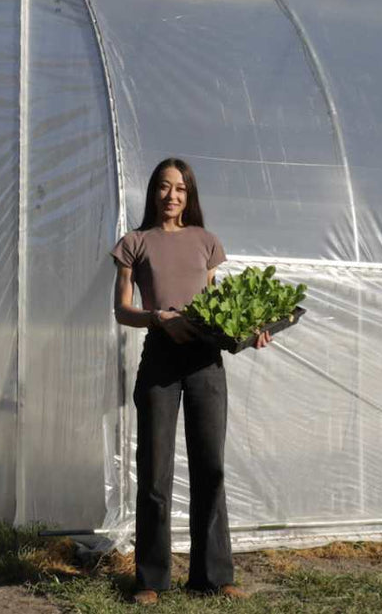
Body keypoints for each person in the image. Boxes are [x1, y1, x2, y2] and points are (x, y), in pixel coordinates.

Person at [110, 156, 271, 605]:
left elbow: (221, 307)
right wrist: (157, 318)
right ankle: (151, 580)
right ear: (153, 192)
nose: (171, 196)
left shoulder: (206, 242)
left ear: (190, 195)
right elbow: (122, 310)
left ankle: (213, 576)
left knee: (211, 470)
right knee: (155, 474)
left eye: (180, 189)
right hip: (160, 361)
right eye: (164, 187)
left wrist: (251, 328)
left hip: (205, 361)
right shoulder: (134, 243)